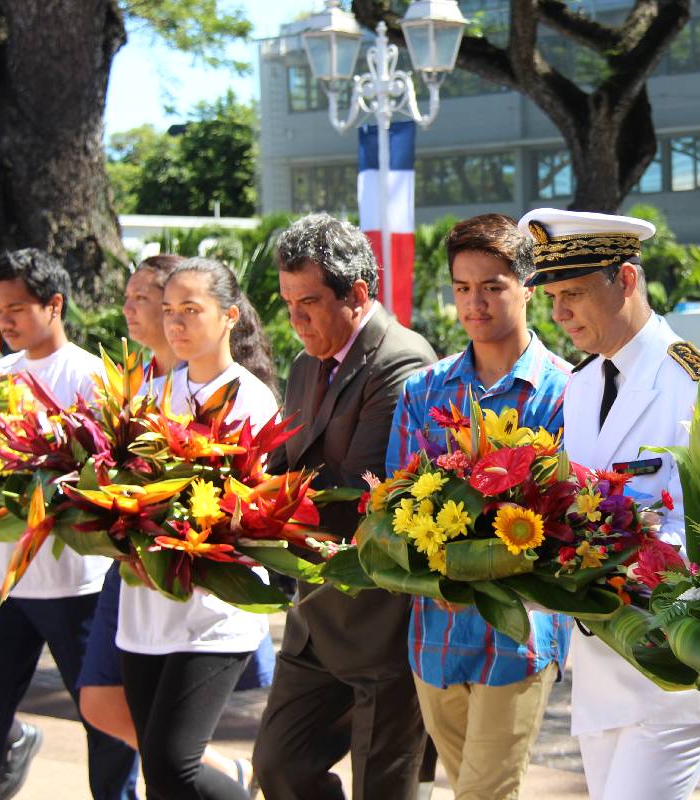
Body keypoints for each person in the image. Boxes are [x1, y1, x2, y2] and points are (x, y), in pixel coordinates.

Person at [520, 208, 700, 800]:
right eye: (552, 297)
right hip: (600, 670)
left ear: (625, 280)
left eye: (573, 293)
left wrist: (624, 544)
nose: (559, 313)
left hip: (674, 662)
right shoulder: (581, 385)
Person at [381, 213, 573, 800]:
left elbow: (561, 515)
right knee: (472, 791)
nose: (475, 303)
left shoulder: (565, 392)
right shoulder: (424, 391)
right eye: (463, 288)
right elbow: (395, 501)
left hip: (518, 632)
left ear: (527, 289)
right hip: (433, 633)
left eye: (493, 286)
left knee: (484, 793)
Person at [253, 213, 438, 800]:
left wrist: (252, 503)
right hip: (314, 622)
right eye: (287, 303)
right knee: (278, 767)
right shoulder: (307, 363)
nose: (295, 319)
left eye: (308, 302)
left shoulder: (404, 361)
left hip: (379, 625)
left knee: (385, 791)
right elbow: (284, 462)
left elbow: (359, 489)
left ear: (357, 295)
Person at [78, 254, 265, 795]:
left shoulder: (251, 398)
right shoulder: (150, 396)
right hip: (144, 615)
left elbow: (248, 513)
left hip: (210, 617)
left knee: (171, 765)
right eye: (168, 311)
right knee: (161, 778)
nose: (175, 324)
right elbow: (120, 491)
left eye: (190, 310)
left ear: (229, 316)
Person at [0, 249, 138, 800]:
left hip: (76, 583)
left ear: (54, 305)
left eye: (17, 308)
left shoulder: (91, 375)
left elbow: (109, 473)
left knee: (103, 719)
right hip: (4, 579)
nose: (4, 321)